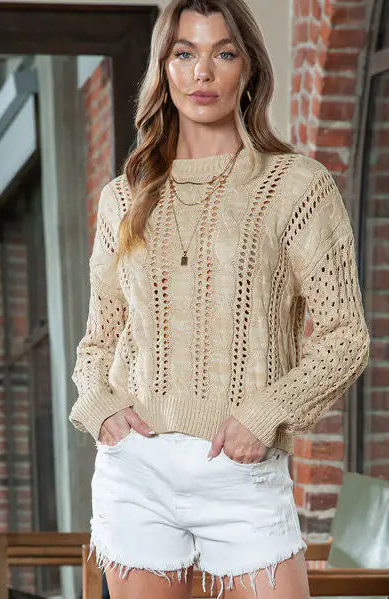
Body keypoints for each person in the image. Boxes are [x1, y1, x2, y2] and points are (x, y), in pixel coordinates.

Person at [69, 1, 370, 598]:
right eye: (185, 54)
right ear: (164, 69)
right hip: (137, 474)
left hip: (242, 472)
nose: (202, 72)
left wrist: (265, 415)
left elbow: (345, 338)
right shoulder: (122, 198)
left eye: (223, 53)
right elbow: (100, 336)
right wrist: (99, 405)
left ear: (248, 68)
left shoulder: (296, 186)